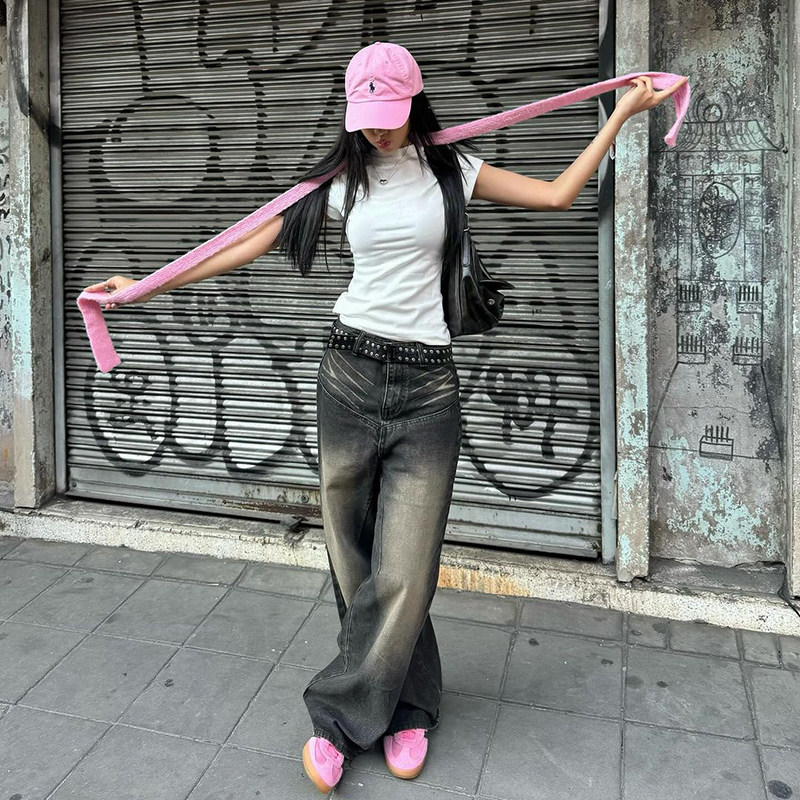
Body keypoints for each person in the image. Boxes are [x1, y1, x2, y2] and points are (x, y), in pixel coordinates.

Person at [85, 41, 686, 794]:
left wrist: (621, 114)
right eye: (365, 117)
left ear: (414, 102)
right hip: (347, 375)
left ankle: (337, 719)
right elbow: (248, 241)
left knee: (404, 570)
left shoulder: (454, 169)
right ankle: (409, 709)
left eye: (389, 115)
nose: (376, 130)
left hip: (428, 388)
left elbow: (559, 194)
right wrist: (143, 287)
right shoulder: (340, 180)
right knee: (355, 562)